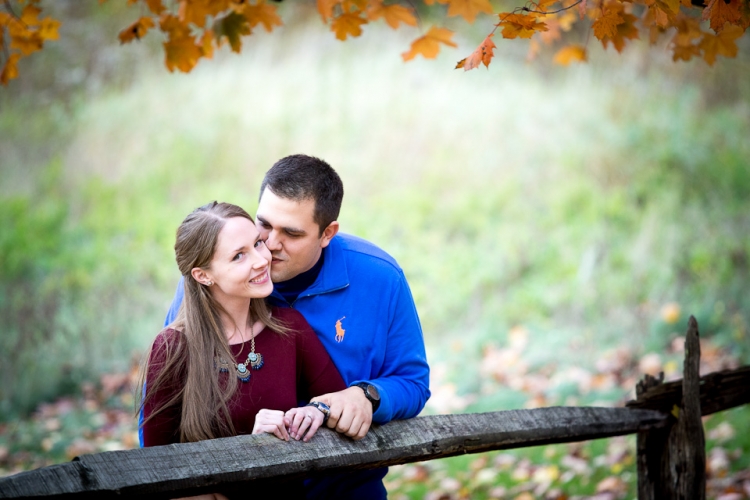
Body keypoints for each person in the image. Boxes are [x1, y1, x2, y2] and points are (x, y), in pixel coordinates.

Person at [164, 155, 431, 499]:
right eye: (264, 224)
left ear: (327, 234)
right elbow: (164, 406)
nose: (270, 245)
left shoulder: (380, 278)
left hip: (346, 486)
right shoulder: (212, 283)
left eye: (291, 233)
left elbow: (412, 382)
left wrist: (366, 395)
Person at [139, 201, 347, 497]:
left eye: (257, 244)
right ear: (203, 275)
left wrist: (318, 411)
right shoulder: (173, 348)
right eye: (239, 256)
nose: (262, 260)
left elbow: (337, 401)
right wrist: (250, 448)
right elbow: (156, 472)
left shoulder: (289, 327)